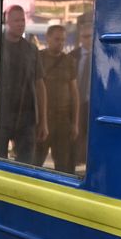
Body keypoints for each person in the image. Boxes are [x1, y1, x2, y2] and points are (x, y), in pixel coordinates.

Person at [0, 5, 48, 163]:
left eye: (23, 20)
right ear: (6, 21)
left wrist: (43, 121)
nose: (21, 24)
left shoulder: (31, 50)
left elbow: (40, 85)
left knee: (26, 163)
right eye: (16, 20)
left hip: (26, 118)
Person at [35, 25, 79, 173]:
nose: (60, 43)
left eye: (63, 40)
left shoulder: (69, 61)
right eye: (57, 39)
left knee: (63, 164)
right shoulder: (38, 58)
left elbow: (74, 93)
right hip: (42, 117)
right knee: (36, 161)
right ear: (47, 38)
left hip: (63, 119)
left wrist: (75, 123)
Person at [70, 14, 93, 166]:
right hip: (76, 101)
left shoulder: (101, 57)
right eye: (85, 36)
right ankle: (76, 160)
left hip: (92, 102)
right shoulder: (72, 56)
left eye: (90, 36)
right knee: (75, 133)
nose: (88, 40)